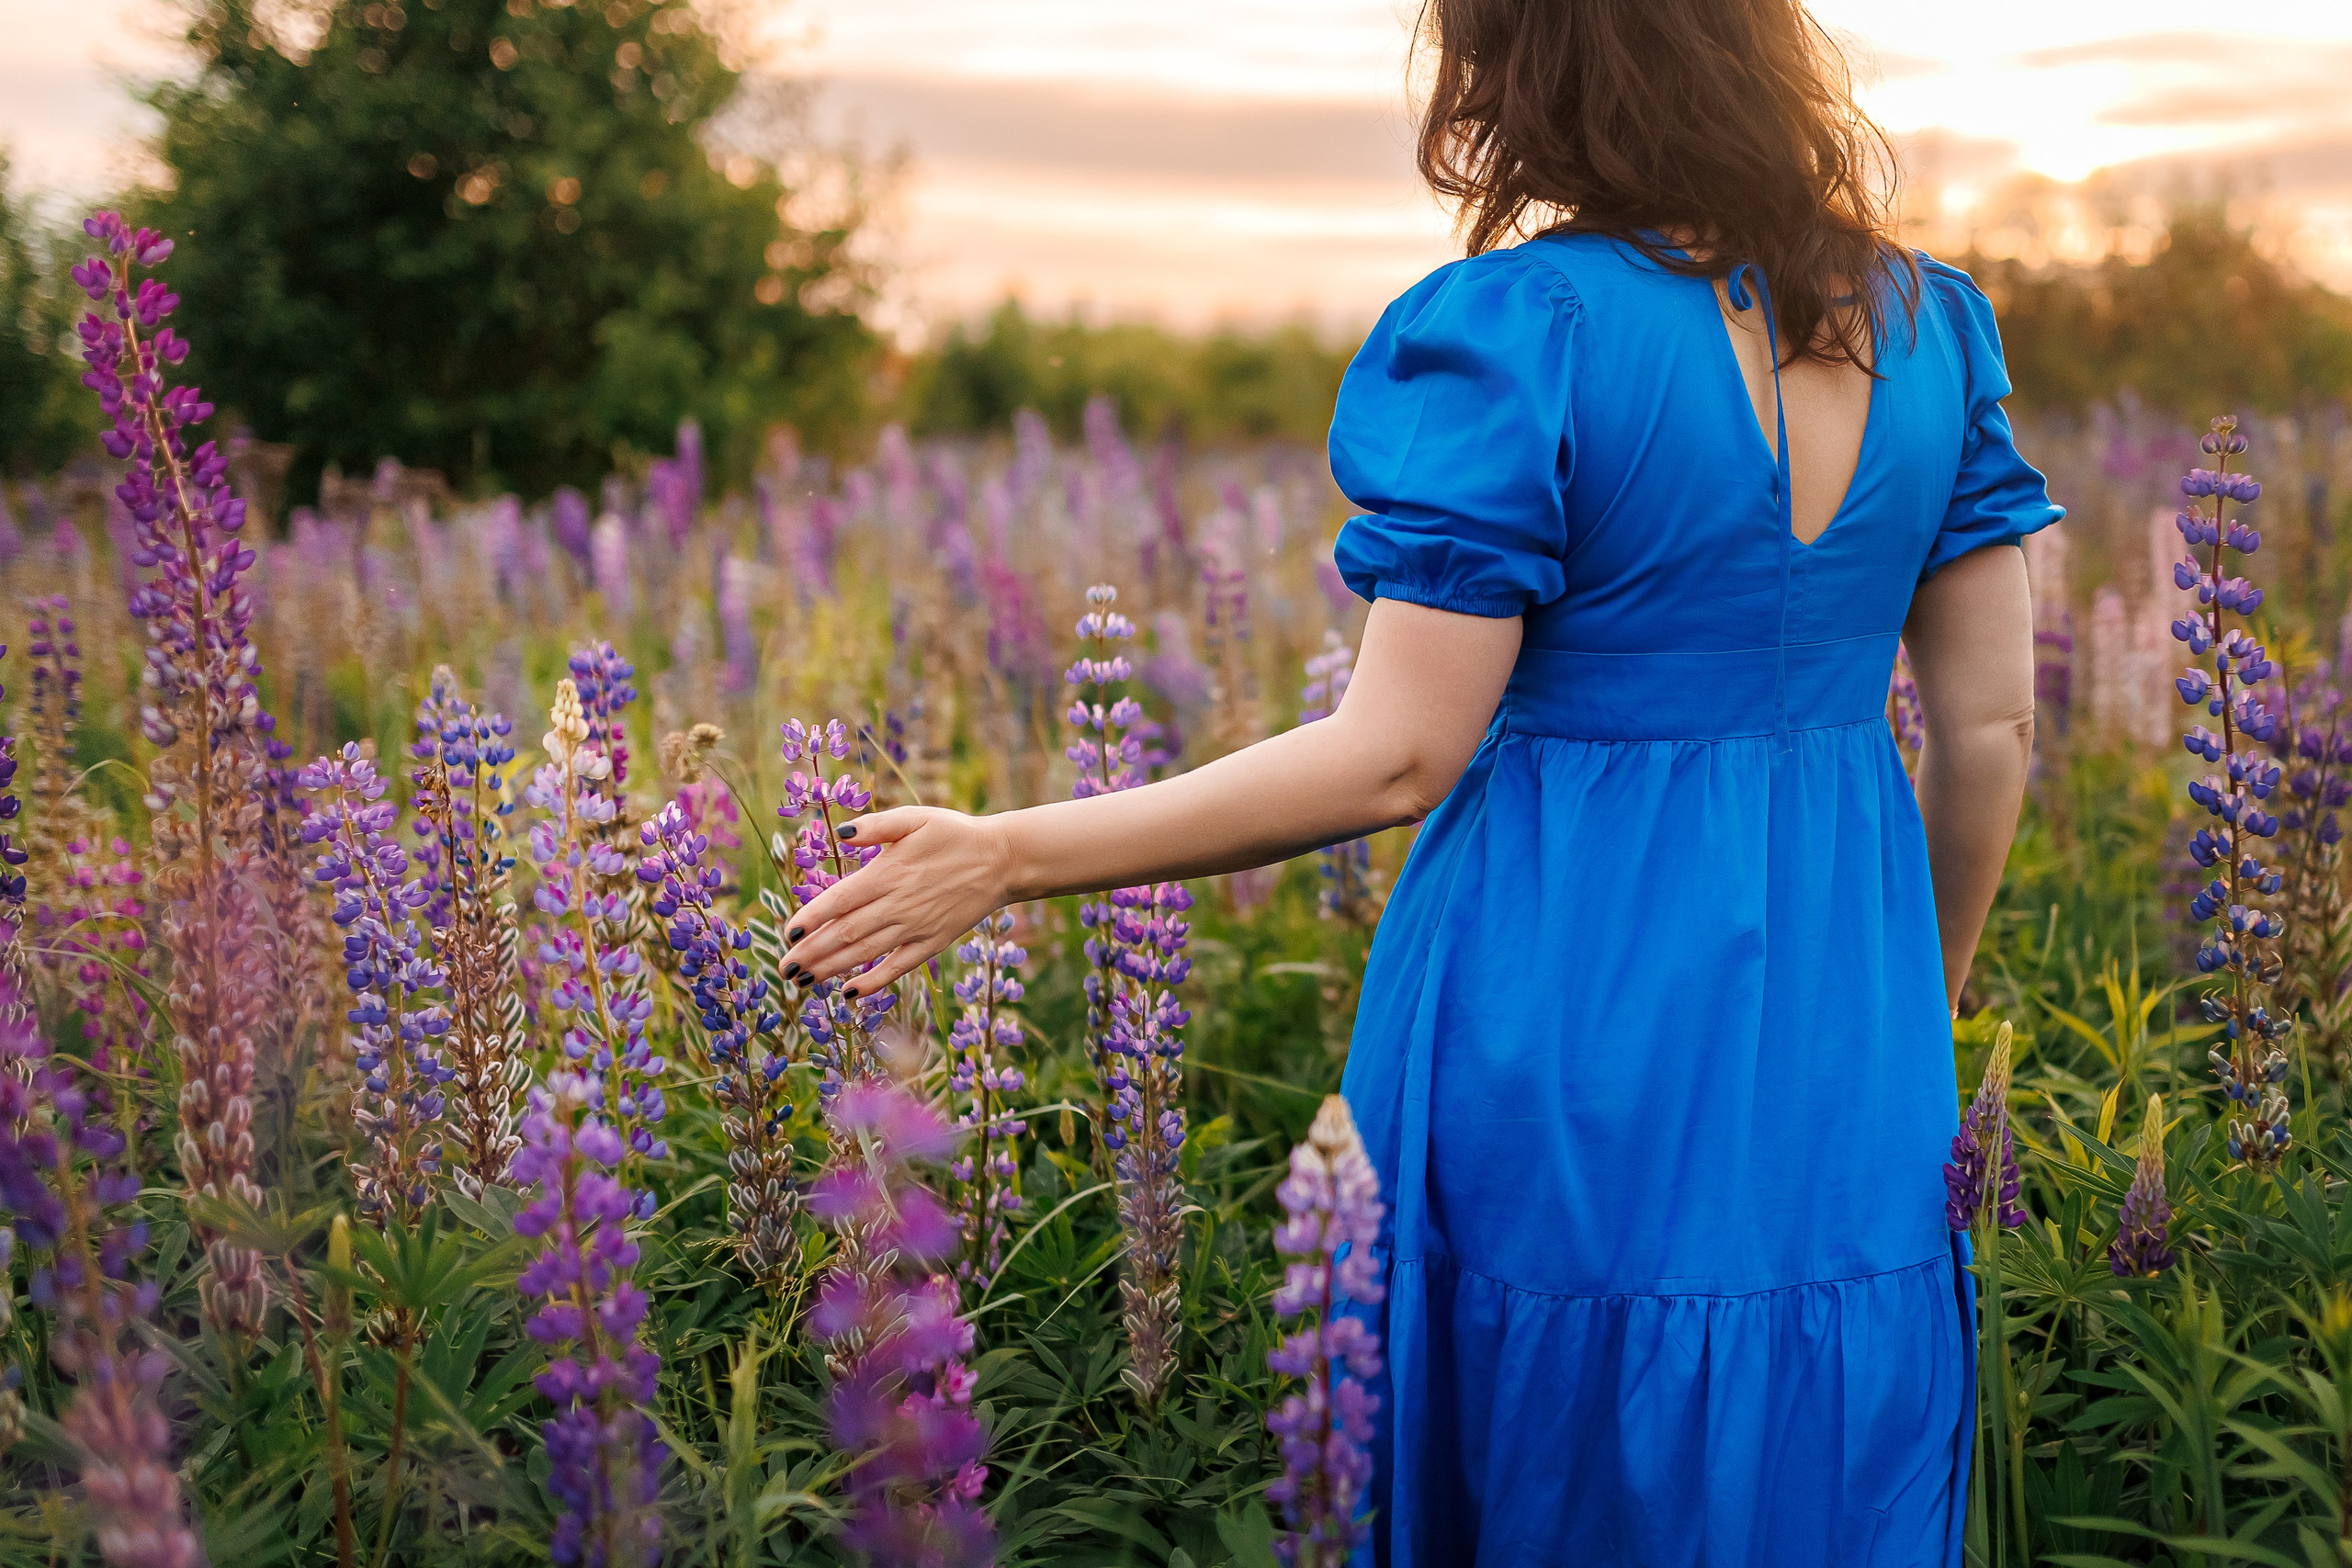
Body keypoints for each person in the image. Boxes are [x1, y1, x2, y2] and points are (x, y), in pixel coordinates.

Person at [779, 0, 2053, 1560]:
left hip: (1565, 988)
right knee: (1822, 1446)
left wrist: (1008, 854)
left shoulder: (1528, 331)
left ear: (1527, 73)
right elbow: (1992, 732)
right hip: (1849, 1025)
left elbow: (1396, 749)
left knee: (1555, 1445)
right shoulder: (1932, 328)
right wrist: (1914, 995)